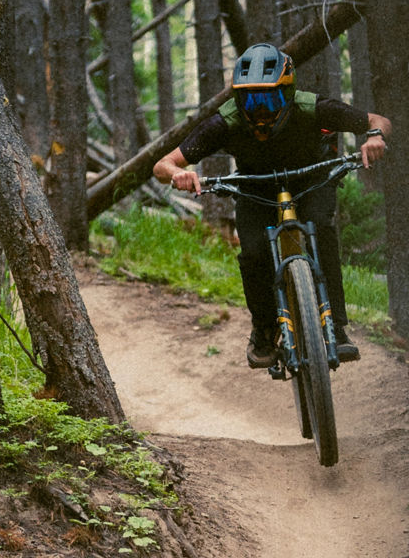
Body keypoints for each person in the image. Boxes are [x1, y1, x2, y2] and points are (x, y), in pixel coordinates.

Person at [153, 43, 390, 369]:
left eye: (270, 98)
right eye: (251, 99)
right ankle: (264, 328)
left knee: (321, 228)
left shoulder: (312, 108)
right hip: (255, 187)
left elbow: (377, 120)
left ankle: (336, 324)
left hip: (312, 181)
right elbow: (163, 164)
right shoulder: (226, 122)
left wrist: (375, 136)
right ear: (237, 98)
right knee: (253, 253)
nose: (260, 110)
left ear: (288, 94)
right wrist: (179, 173)